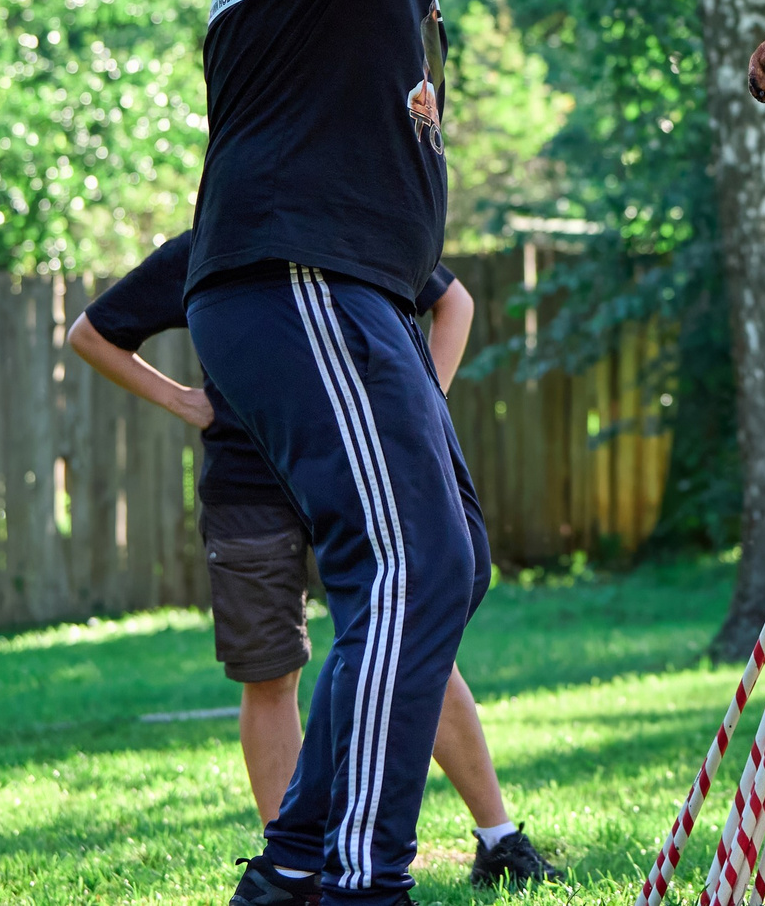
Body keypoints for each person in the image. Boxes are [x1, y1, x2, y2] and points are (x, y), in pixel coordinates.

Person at [184, 0, 657, 906]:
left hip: (347, 294)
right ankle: (340, 877)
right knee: (407, 565)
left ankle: (302, 865)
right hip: (301, 279)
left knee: (441, 560)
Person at [68, 231, 554, 890]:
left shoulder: (346, 228)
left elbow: (455, 301)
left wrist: (418, 411)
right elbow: (91, 333)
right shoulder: (207, 246)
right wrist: (186, 400)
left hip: (355, 470)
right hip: (249, 487)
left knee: (410, 639)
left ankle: (498, 838)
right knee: (271, 672)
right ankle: (292, 868)